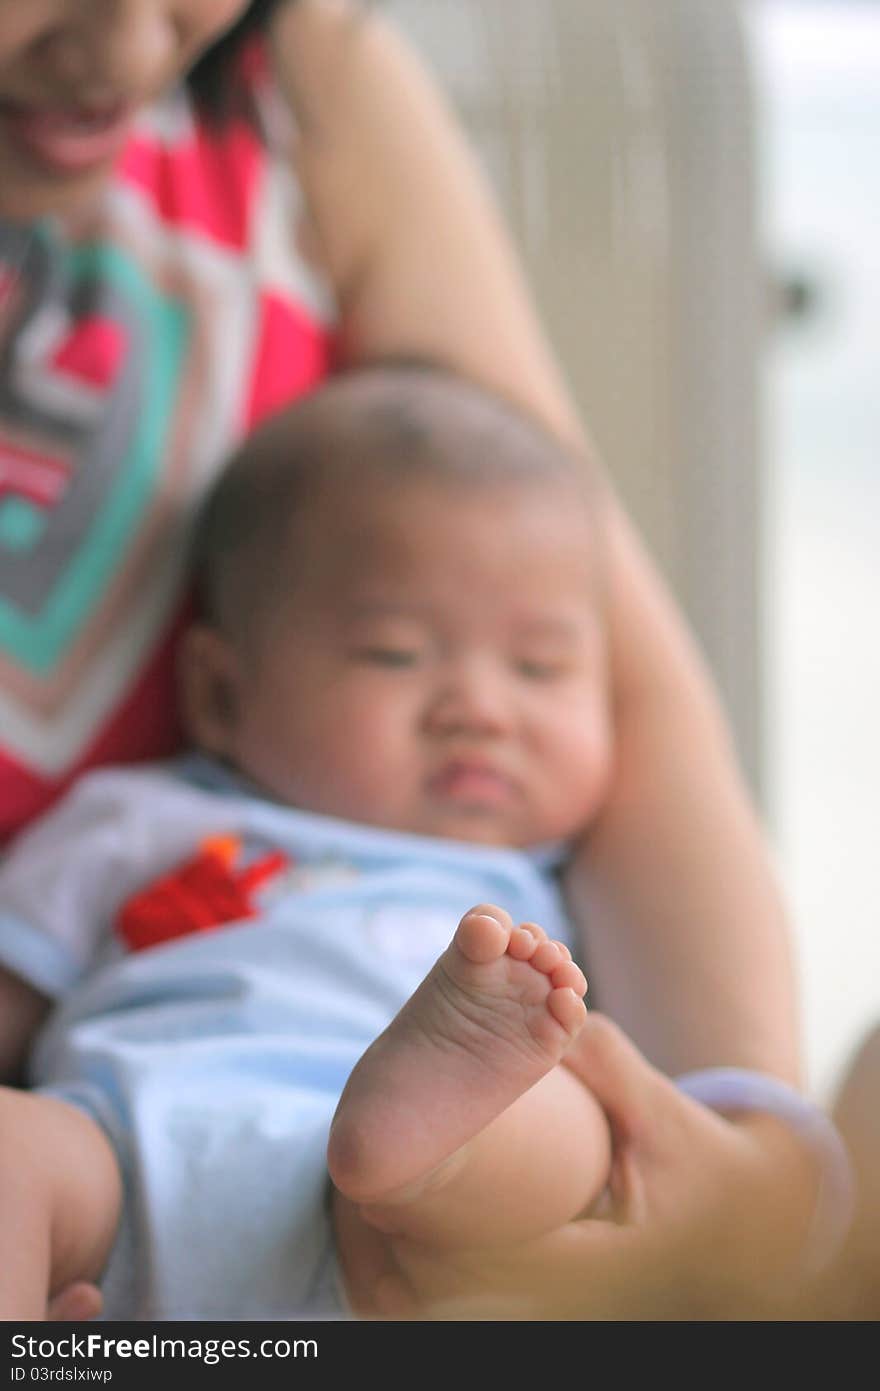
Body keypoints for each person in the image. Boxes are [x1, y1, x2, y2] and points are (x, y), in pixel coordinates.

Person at [0, 0, 831, 1314]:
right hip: (122, 1136)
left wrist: (747, 1155)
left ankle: (416, 1136)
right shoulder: (147, 825)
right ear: (220, 690)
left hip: (412, 1207)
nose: (128, 49)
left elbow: (649, 712)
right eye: (394, 653)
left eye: (538, 672)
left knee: (551, 1116)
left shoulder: (304, 83)